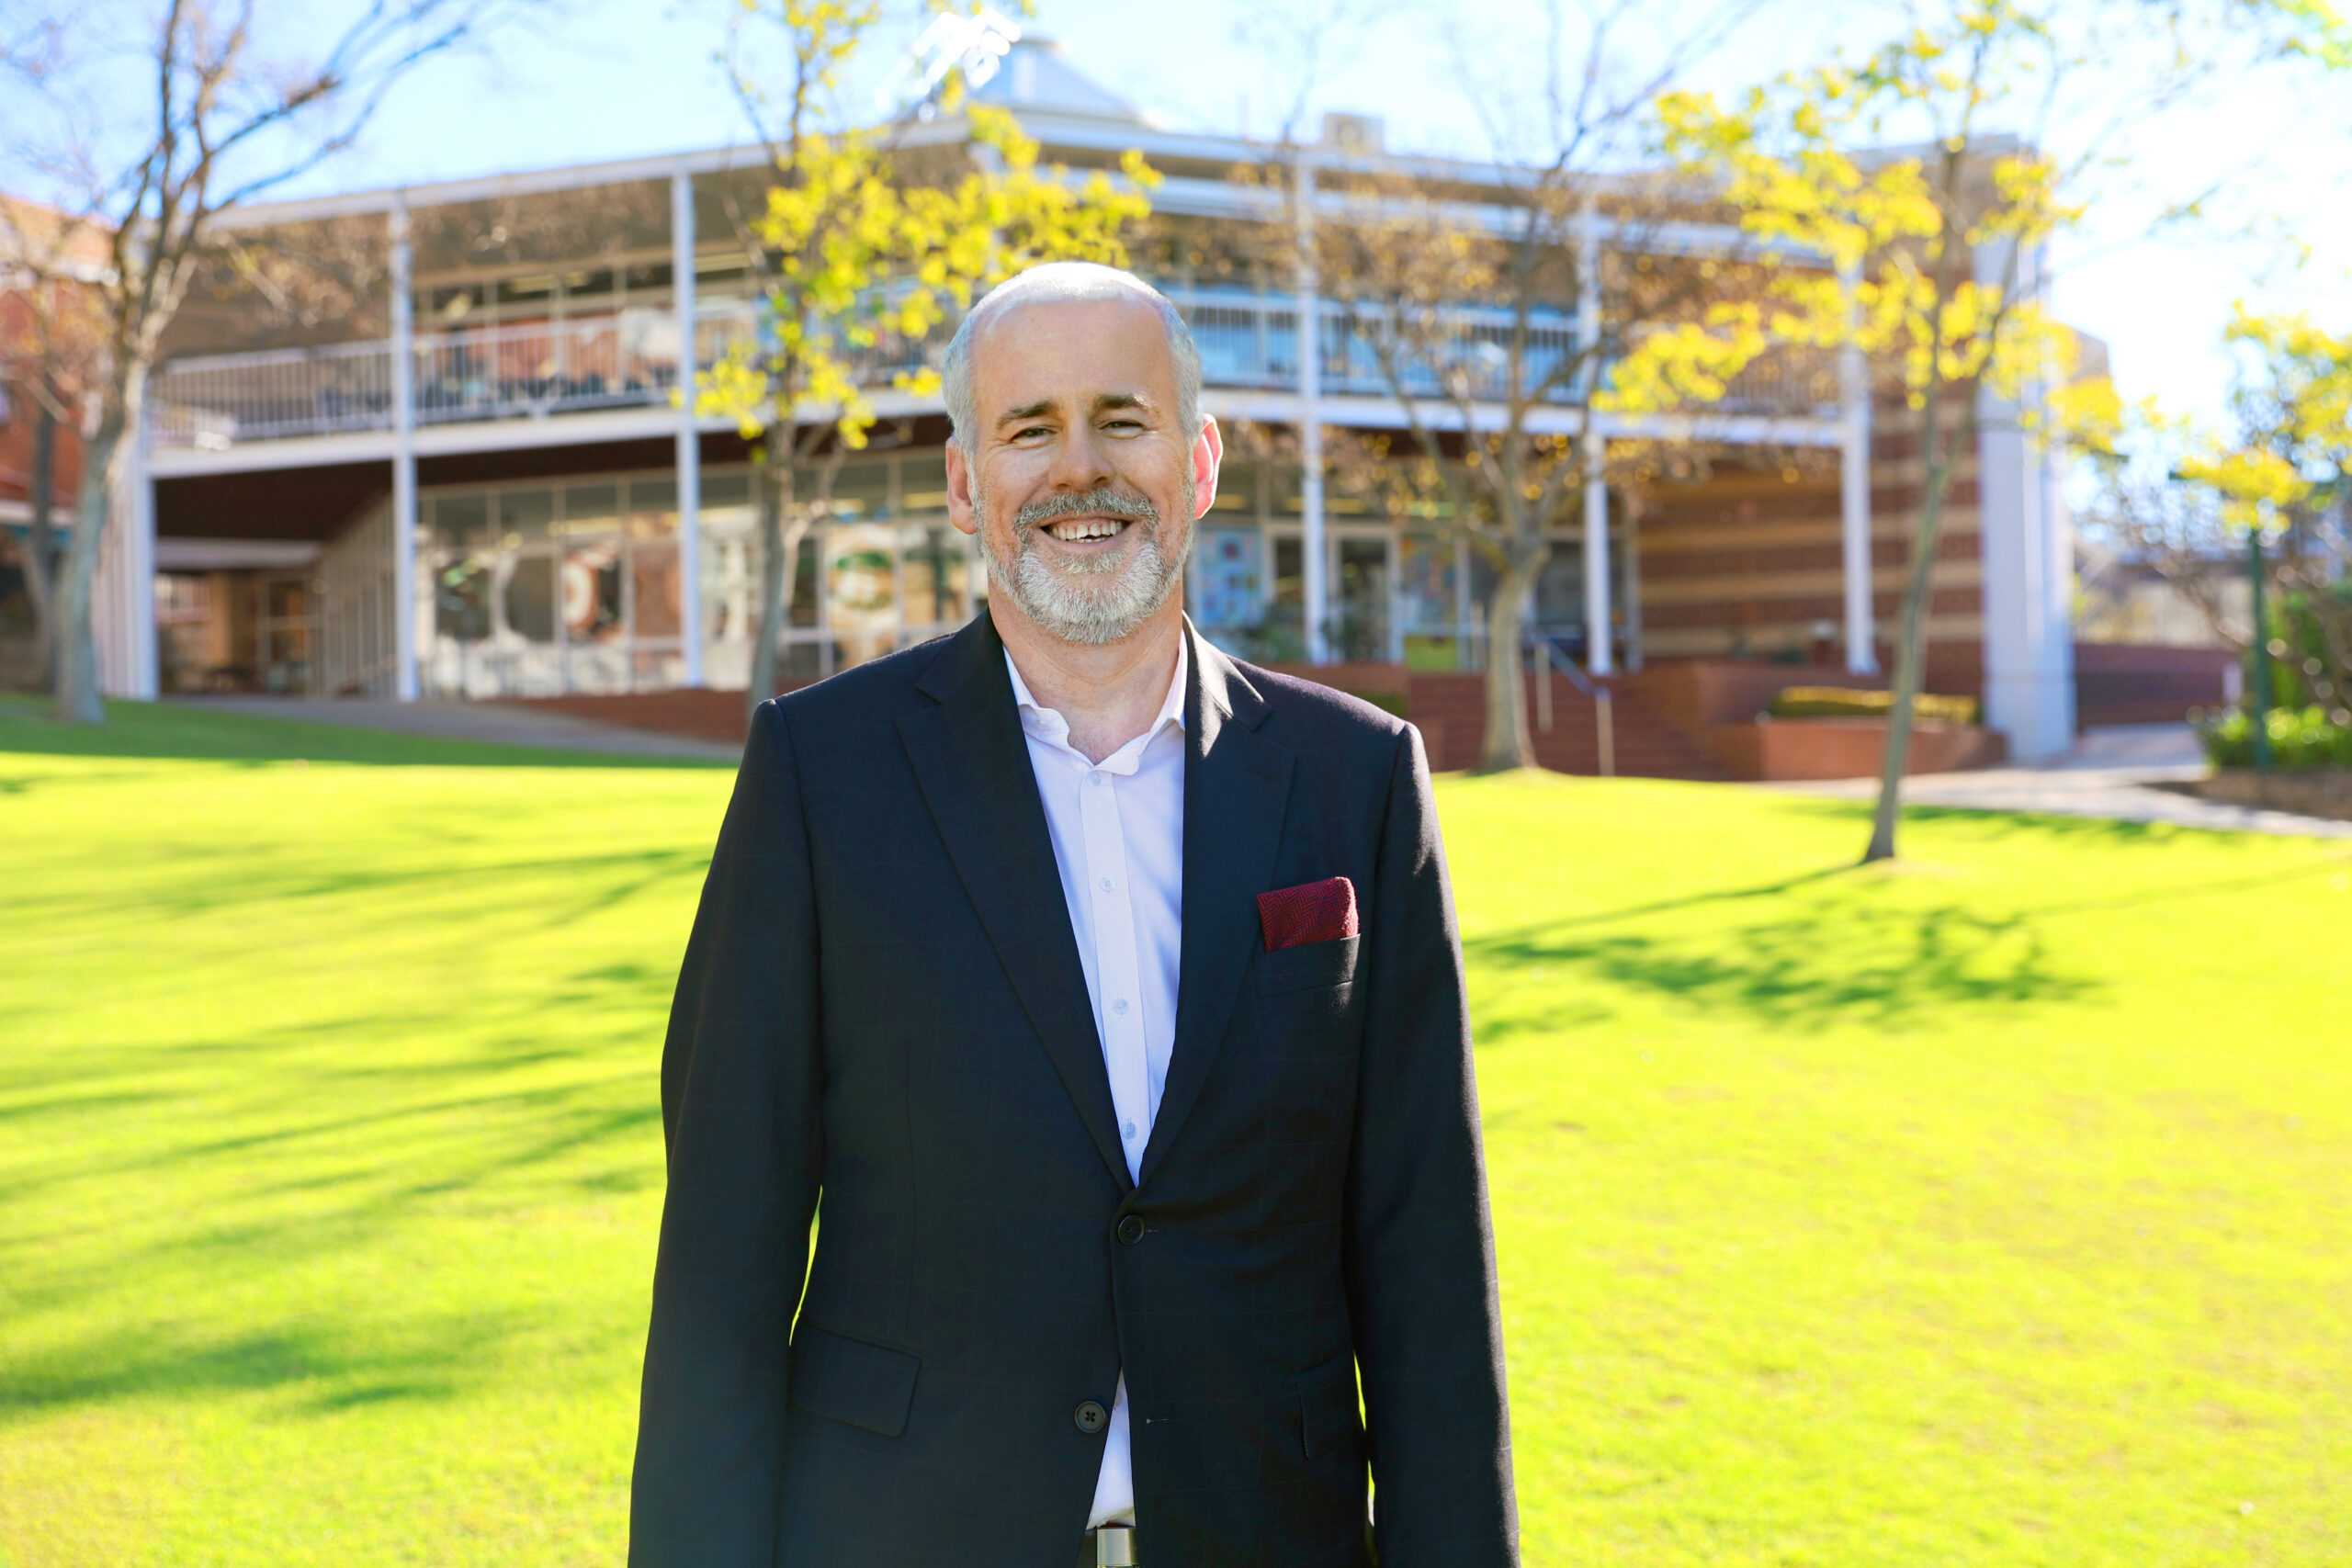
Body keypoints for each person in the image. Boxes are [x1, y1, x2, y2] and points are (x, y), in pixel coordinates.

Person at [628, 261, 1517, 1567]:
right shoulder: (821, 773)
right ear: (964, 483)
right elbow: (724, 1249)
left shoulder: (1358, 778)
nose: (1079, 469)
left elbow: (1426, 1251)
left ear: (1198, 463)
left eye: (1123, 420)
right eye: (1029, 428)